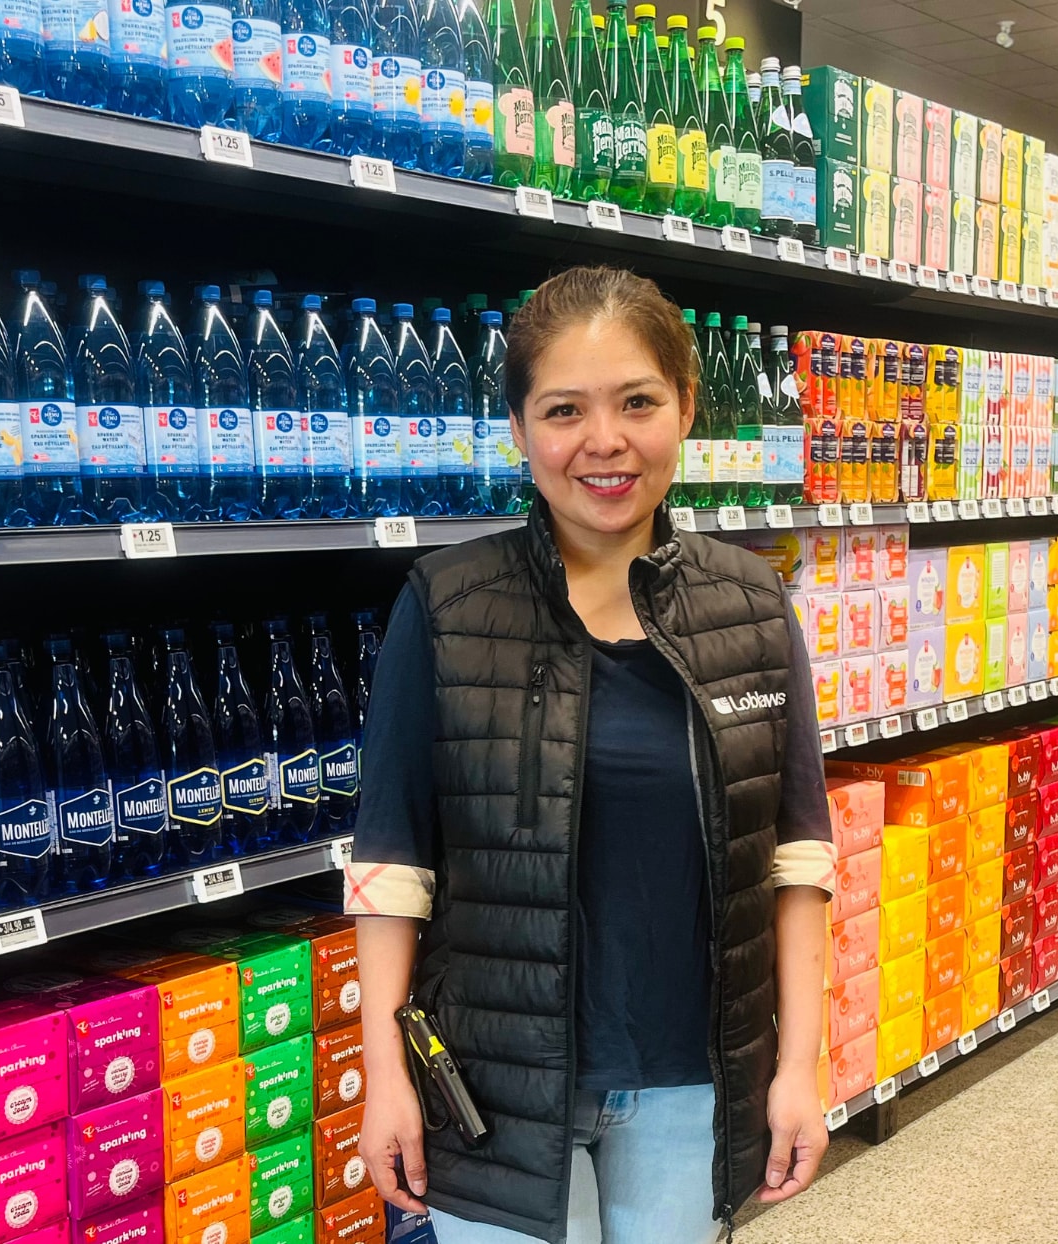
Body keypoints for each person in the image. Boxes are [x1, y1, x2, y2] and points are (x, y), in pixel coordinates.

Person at [346, 266, 835, 1244]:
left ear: (685, 408)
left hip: (683, 1082)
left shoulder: (748, 605)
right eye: (563, 409)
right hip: (492, 1086)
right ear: (520, 430)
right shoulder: (446, 604)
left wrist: (798, 1067)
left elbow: (795, 859)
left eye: (636, 401)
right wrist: (385, 1073)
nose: (603, 442)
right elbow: (392, 863)